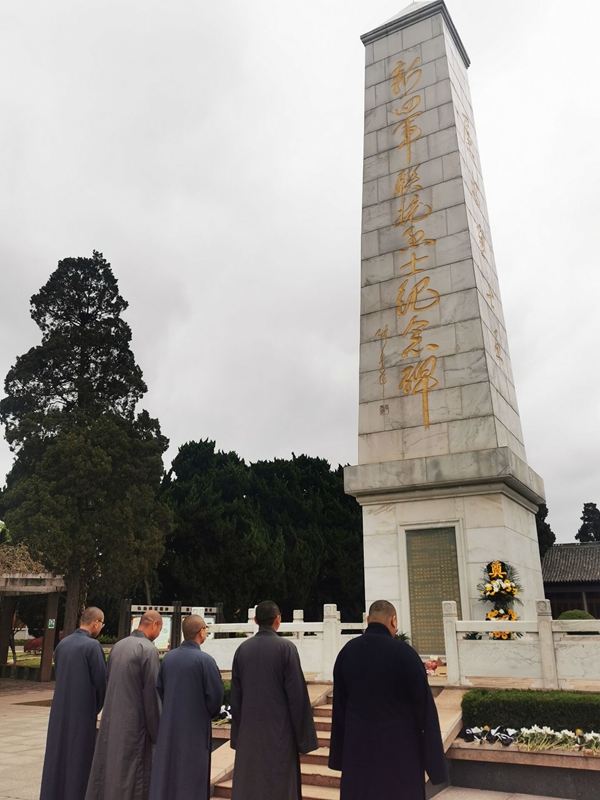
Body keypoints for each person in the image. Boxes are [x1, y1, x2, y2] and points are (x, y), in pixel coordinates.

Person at [329, 599, 448, 800]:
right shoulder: (405, 654)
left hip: (358, 750)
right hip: (400, 752)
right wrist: (436, 766)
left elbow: (339, 708)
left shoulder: (347, 652)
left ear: (368, 620)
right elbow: (425, 711)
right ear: (393, 621)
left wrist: (339, 757)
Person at [230, 600, 318, 800]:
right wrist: (304, 740)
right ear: (278, 620)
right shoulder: (286, 648)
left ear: (255, 620)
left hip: (249, 734)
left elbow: (236, 699)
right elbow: (298, 698)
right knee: (279, 785)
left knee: (250, 785)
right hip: (280, 734)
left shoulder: (242, 650)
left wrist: (238, 737)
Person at [85, 610, 163, 800]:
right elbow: (151, 694)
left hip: (112, 720)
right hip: (135, 724)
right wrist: (158, 733)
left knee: (110, 769)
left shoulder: (118, 646)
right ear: (153, 625)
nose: (159, 633)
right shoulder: (148, 650)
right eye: (160, 629)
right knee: (132, 776)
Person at [149, 615, 224, 800]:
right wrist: (208, 712)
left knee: (170, 769)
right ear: (201, 632)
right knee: (193, 773)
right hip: (195, 728)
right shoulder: (205, 661)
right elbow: (215, 696)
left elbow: (160, 688)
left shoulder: (168, 658)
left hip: (171, 725)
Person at [39, 606, 107, 800]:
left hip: (60, 709)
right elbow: (101, 683)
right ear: (96, 622)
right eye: (102, 624)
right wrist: (96, 707)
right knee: (79, 758)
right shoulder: (92, 647)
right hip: (82, 709)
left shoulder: (63, 645)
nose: (101, 628)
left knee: (58, 754)